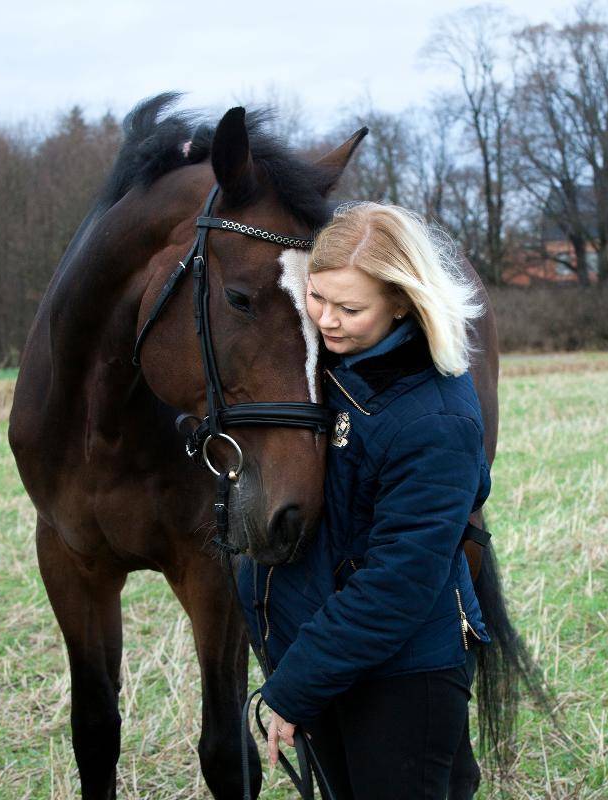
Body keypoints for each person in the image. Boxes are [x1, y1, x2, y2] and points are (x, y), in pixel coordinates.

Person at [235, 201, 493, 799]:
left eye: (350, 308)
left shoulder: (437, 417)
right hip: (330, 662)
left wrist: (295, 687)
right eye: (317, 297)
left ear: (403, 301)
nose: (326, 320)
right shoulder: (319, 373)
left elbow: (398, 584)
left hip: (405, 677)